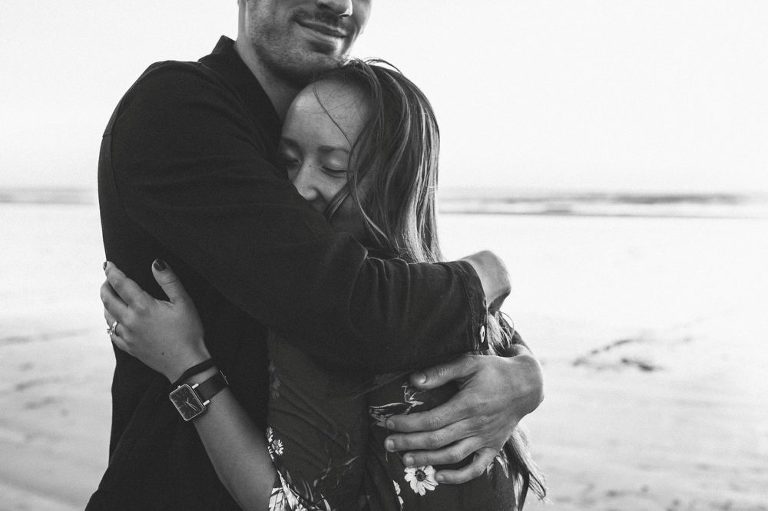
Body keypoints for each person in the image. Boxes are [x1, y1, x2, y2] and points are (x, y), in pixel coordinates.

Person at [91, 1, 544, 509]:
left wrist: (522, 369)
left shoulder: (331, 122)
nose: (340, 3)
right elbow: (350, 305)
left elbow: (387, 279)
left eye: (334, 167)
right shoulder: (179, 109)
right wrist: (488, 275)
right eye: (288, 162)